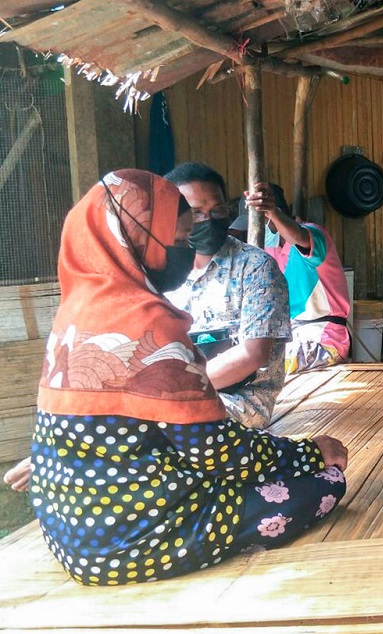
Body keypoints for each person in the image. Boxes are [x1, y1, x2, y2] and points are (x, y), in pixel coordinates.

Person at [26, 169, 348, 585]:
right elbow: (218, 453)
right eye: (178, 240)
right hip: (128, 544)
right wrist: (309, 453)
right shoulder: (147, 321)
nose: (186, 247)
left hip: (71, 537)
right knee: (325, 485)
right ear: (137, 237)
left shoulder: (75, 314)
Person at [163, 162, 291, 430]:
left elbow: (252, 354)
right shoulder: (163, 271)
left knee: (166, 426)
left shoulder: (255, 267)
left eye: (217, 210)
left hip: (237, 401)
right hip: (171, 397)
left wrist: (176, 391)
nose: (208, 221)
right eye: (196, 213)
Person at [234, 183, 352, 372]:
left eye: (260, 223)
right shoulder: (266, 251)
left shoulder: (313, 234)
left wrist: (272, 211)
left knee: (256, 367)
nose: (254, 231)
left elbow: (298, 236)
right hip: (291, 339)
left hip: (323, 340)